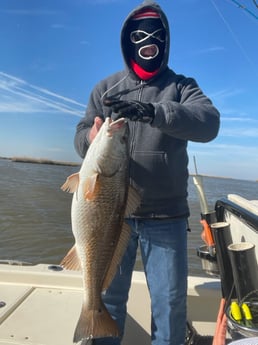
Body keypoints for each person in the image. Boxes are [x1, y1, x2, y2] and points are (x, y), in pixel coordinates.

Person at [74, 1, 220, 344]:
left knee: (170, 305)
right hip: (110, 217)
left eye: (155, 33)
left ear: (165, 40)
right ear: (128, 41)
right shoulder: (105, 89)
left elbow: (209, 123)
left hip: (166, 215)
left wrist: (155, 112)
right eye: (139, 34)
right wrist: (92, 138)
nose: (147, 40)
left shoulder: (183, 87)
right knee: (108, 297)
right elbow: (80, 136)